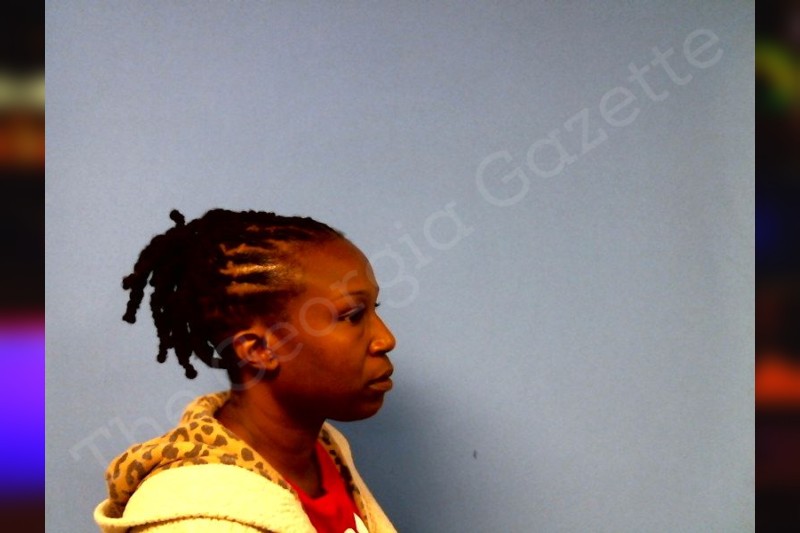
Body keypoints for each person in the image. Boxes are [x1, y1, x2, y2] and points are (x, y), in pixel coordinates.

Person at [94, 209, 398, 533]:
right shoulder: (194, 522)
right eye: (352, 316)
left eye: (374, 308)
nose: (386, 339)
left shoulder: (327, 451)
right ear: (259, 350)